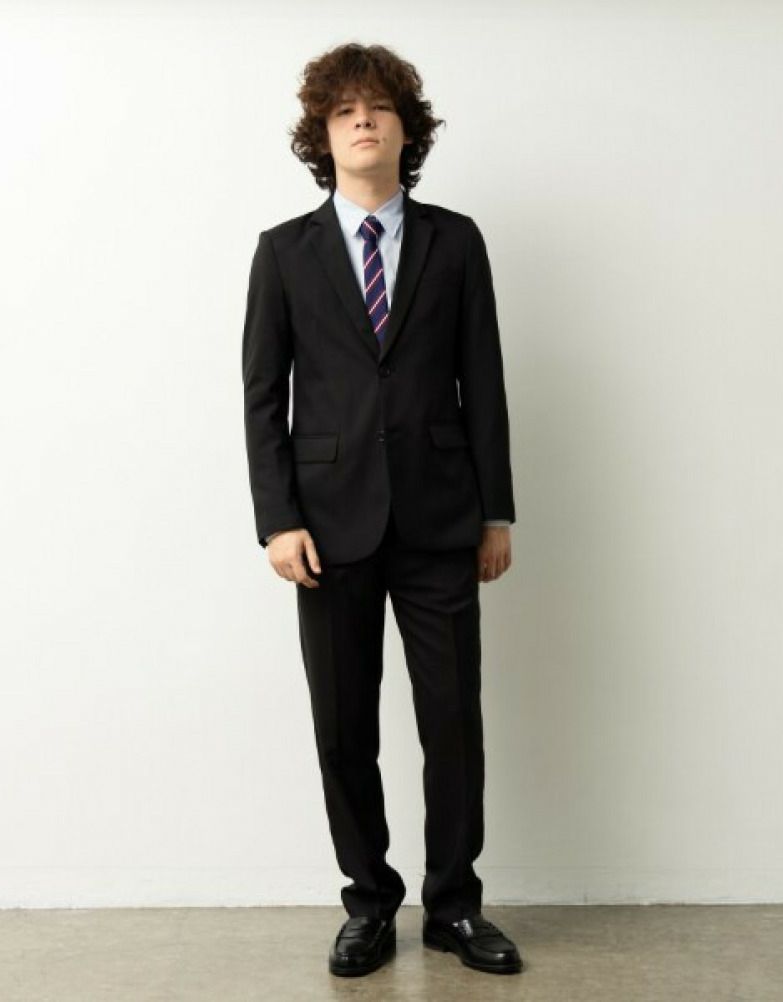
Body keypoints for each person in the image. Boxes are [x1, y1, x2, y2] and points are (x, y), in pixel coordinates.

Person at [241, 42, 522, 977]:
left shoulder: (456, 241)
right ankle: (368, 903)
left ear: (408, 129)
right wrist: (278, 518)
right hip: (327, 528)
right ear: (322, 137)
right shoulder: (284, 254)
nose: (363, 120)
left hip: (442, 519)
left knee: (453, 722)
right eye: (344, 111)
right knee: (342, 727)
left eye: (380, 107)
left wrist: (496, 513)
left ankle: (455, 907)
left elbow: (483, 382)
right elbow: (262, 396)